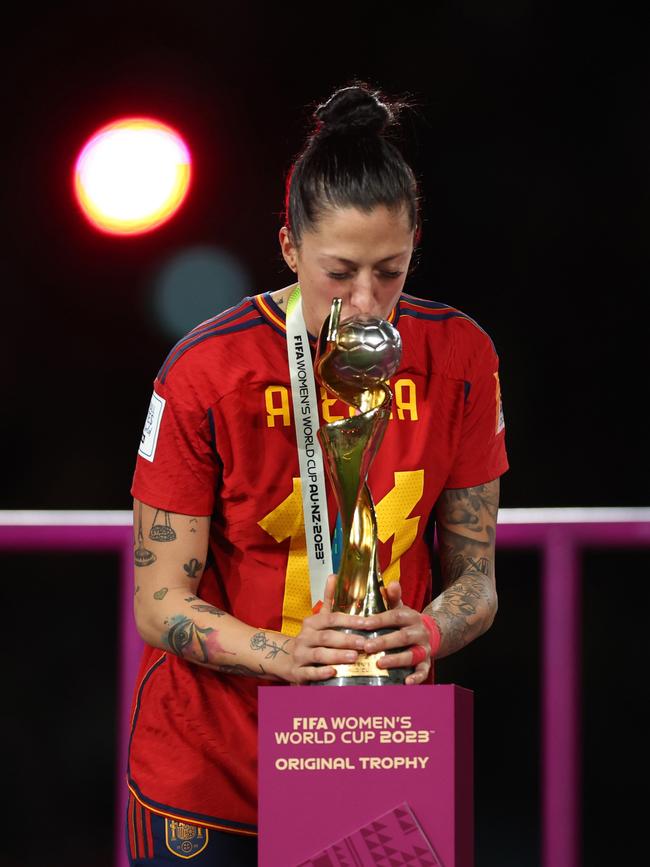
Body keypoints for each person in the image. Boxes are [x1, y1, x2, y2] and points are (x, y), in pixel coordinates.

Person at [127, 82, 508, 865]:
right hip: (213, 773)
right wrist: (286, 652)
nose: (367, 301)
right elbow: (157, 599)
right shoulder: (208, 370)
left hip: (370, 761)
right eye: (339, 272)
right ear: (290, 248)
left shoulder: (463, 358)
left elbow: (478, 580)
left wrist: (429, 628)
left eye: (391, 271)